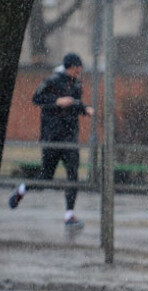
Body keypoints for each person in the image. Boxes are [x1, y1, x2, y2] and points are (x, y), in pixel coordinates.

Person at [8, 53, 94, 228]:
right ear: (71, 66)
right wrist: (57, 101)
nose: (81, 70)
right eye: (79, 66)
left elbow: (75, 105)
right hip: (52, 136)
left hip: (70, 137)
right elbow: (36, 98)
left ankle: (69, 215)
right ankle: (22, 189)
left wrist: (85, 109)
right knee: (46, 175)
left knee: (73, 174)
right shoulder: (53, 81)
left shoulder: (77, 84)